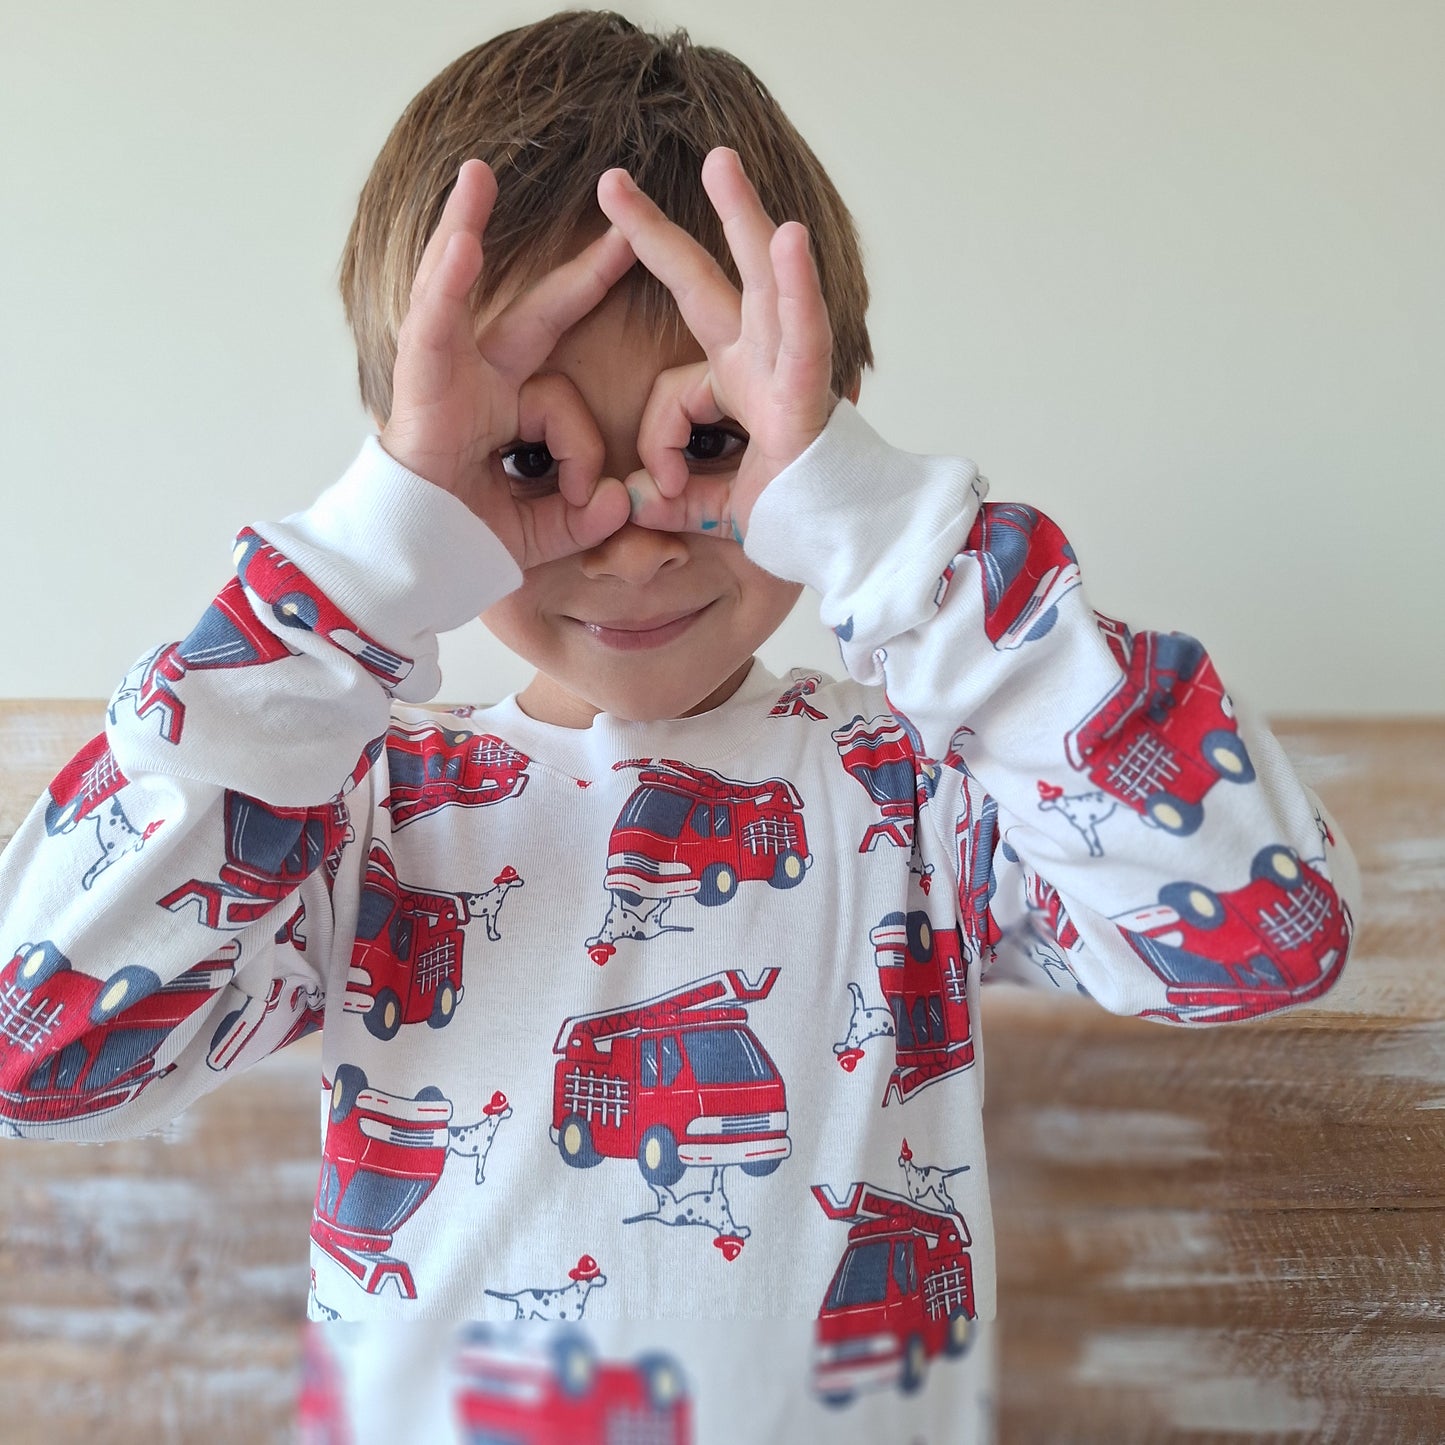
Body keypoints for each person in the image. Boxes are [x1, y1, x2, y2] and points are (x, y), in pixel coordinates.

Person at [0, 11, 1360, 1443]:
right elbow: (35, 1051)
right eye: (529, 458)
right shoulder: (353, 810)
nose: (635, 545)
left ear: (818, 425)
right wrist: (360, 563)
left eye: (707, 443)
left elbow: (1264, 938)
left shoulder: (920, 791)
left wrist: (883, 532)